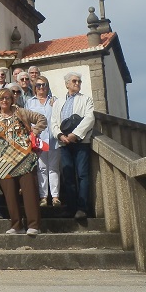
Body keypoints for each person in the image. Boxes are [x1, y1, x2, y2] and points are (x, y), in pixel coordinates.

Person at [0, 88, 46, 236]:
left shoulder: (21, 112)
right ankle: (16, 225)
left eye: (7, 98)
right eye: (1, 98)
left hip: (24, 157)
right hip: (3, 160)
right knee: (10, 195)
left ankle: (33, 225)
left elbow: (41, 119)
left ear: (12, 99)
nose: (4, 101)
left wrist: (34, 133)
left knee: (29, 192)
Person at [50, 72, 95, 220]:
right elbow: (53, 122)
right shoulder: (58, 102)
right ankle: (70, 208)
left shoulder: (86, 100)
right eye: (74, 81)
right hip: (64, 143)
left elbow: (89, 118)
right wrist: (60, 135)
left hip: (80, 142)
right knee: (68, 176)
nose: (77, 83)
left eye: (79, 81)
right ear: (67, 84)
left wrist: (75, 134)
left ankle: (82, 208)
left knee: (82, 175)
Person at [26, 76, 60, 208]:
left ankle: (55, 197)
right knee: (41, 169)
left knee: (54, 169)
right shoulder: (30, 102)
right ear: (35, 88)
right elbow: (27, 120)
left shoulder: (54, 101)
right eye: (39, 85)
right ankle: (43, 197)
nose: (41, 88)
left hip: (53, 139)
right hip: (38, 140)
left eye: (44, 85)